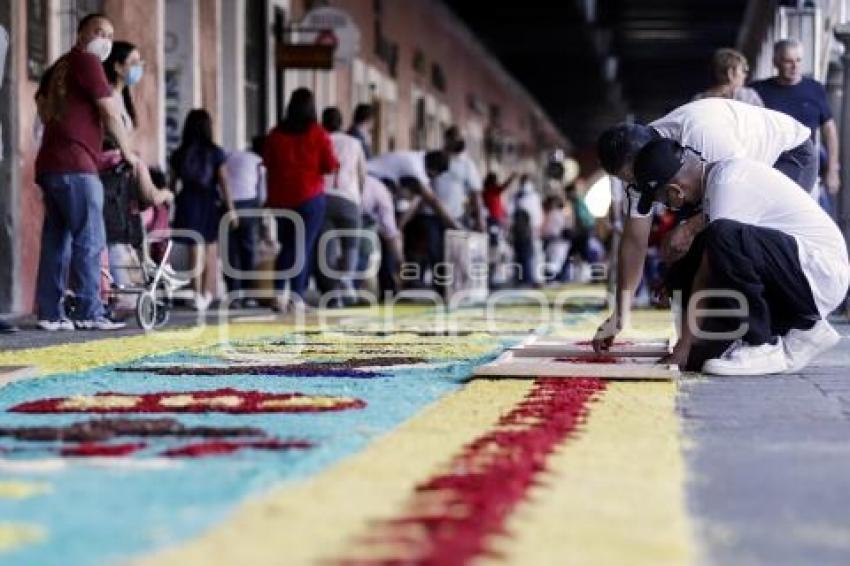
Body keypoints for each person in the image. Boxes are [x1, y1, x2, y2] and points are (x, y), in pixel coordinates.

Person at [592, 98, 815, 352]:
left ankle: (774, 334)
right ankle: (722, 328)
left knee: (735, 241)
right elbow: (634, 244)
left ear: (646, 157)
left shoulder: (704, 136)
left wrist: (688, 228)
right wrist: (620, 316)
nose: (633, 185)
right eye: (626, 180)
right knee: (693, 249)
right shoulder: (639, 174)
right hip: (721, 178)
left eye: (633, 177)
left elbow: (737, 192)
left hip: (787, 155)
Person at [632, 138, 849, 375]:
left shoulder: (728, 181)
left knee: (719, 235)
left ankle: (760, 344)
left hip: (819, 273)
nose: (668, 207)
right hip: (793, 278)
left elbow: (710, 268)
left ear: (676, 191)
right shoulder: (713, 187)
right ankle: (806, 330)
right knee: (700, 359)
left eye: (664, 201)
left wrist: (683, 344)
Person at [34, 13, 134, 331]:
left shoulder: (59, 66)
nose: (104, 39)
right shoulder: (87, 62)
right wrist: (128, 152)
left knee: (56, 240)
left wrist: (62, 124)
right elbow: (108, 108)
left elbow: (40, 102)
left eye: (109, 34)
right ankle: (90, 311)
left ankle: (50, 313)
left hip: (51, 163)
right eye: (98, 31)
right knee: (90, 239)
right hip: (77, 164)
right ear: (81, 34)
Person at [101, 41, 173, 301]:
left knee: (133, 225)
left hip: (124, 170)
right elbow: (111, 134)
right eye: (134, 63)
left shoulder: (122, 97)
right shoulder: (108, 96)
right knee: (123, 226)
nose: (139, 68)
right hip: (113, 167)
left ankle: (151, 269)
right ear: (118, 66)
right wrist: (130, 158)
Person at [263, 88, 338, 313]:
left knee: (287, 245)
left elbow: (267, 162)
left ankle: (278, 294)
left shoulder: (275, 134)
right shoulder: (318, 133)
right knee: (302, 247)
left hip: (280, 198)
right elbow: (330, 165)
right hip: (309, 197)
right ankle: (296, 297)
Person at [752, 39, 840, 196]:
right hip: (771, 168)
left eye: (798, 60)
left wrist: (833, 169)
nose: (795, 66)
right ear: (775, 62)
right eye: (788, 61)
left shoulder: (814, 88)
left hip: (807, 168)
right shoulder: (758, 91)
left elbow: (829, 130)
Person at [170, 109, 236, 311]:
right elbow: (223, 182)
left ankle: (194, 291)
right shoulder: (216, 152)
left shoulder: (179, 153)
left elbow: (172, 184)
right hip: (208, 201)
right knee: (208, 248)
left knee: (193, 247)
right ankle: (205, 294)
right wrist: (231, 208)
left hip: (187, 200)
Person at [368, 150, 453, 290]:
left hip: (378, 193)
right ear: (433, 170)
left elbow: (415, 202)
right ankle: (389, 286)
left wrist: (400, 226)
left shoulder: (417, 161)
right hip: (370, 186)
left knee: (389, 240)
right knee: (386, 241)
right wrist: (455, 225)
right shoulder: (414, 168)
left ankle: (390, 286)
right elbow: (433, 201)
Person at [319, 106, 367, 305]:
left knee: (327, 247)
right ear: (341, 122)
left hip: (323, 197)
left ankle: (332, 294)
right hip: (349, 198)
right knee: (351, 244)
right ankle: (347, 279)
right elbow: (362, 174)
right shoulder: (355, 143)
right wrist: (359, 197)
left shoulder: (321, 140)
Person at [222, 135, 266, 307]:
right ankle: (249, 294)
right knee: (248, 250)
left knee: (230, 252)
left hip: (228, 205)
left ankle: (233, 294)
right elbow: (262, 193)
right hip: (249, 204)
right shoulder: (260, 163)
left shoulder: (233, 155)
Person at [430, 126, 485, 231]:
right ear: (447, 139)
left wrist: (480, 219)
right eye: (455, 138)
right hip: (432, 215)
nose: (458, 141)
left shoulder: (467, 164)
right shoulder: (436, 157)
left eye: (460, 138)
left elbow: (475, 193)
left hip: (456, 216)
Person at [362, 174, 404, 297]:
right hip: (355, 215)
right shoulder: (384, 195)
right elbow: (391, 233)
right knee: (366, 254)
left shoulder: (371, 183)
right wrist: (400, 260)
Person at [694, 48, 763, 106]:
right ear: (730, 73)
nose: (745, 75)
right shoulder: (747, 96)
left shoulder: (697, 100)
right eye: (743, 70)